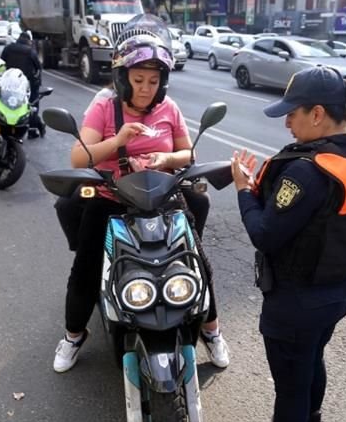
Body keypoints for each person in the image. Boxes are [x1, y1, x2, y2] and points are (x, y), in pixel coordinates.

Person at [228, 66, 346, 422]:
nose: (286, 122)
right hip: (340, 289)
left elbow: (264, 233)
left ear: (317, 113)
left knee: (290, 383)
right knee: (312, 359)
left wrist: (244, 190)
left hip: (297, 300)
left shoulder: (306, 173)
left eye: (292, 113)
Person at [52, 33, 230, 373]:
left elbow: (188, 154)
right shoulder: (104, 106)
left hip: (163, 197)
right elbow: (79, 157)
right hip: (112, 198)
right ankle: (74, 335)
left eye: (154, 80)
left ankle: (211, 330)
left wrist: (165, 159)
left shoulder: (169, 108)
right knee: (86, 270)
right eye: (138, 80)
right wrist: (117, 142)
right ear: (122, 78)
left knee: (197, 264)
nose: (147, 88)